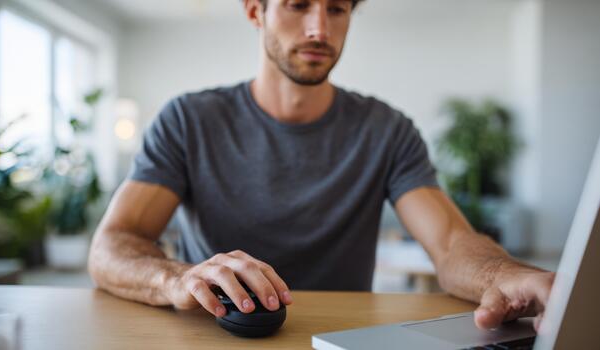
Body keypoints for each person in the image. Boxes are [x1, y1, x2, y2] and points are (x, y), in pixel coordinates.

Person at [88, 0, 554, 331]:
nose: (319, 29)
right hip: (212, 336)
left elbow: (451, 243)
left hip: (343, 340)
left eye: (337, 8)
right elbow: (112, 244)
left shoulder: (387, 129)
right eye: (297, 5)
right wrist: (176, 278)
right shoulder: (186, 120)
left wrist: (505, 276)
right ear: (255, 11)